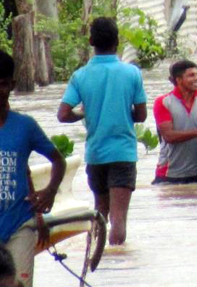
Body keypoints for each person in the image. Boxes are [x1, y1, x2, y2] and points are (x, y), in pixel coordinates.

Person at [57, 17, 146, 246]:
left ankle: (96, 262)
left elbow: (63, 114)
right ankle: (117, 268)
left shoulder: (80, 76)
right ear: (117, 42)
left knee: (100, 211)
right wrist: (125, 115)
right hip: (123, 152)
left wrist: (84, 113)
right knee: (119, 218)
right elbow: (142, 115)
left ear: (91, 42)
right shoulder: (132, 73)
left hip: (96, 153)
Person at [1, 50, 66, 287]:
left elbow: (58, 160)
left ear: (11, 85)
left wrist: (48, 193)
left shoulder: (25, 126)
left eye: (2, 85)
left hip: (19, 223)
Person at [153, 60, 197, 184]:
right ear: (178, 80)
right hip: (168, 175)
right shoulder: (163, 102)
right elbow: (169, 136)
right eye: (191, 75)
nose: (196, 78)